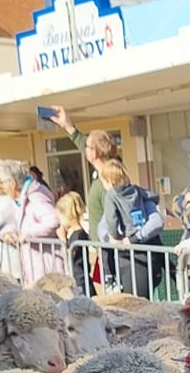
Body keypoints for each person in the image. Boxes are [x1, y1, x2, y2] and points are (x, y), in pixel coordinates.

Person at [49, 108, 118, 239]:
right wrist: (67, 125)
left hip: (110, 252)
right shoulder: (106, 172)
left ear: (94, 153)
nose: (84, 149)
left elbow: (114, 218)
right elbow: (83, 143)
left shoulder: (108, 181)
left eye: (87, 147)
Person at [99, 158, 164, 296]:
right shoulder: (137, 194)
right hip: (126, 259)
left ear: (110, 182)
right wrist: (109, 239)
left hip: (139, 259)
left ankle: (110, 280)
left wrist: (130, 239)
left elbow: (156, 221)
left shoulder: (117, 197)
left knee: (139, 305)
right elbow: (102, 226)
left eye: (103, 182)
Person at [0, 160, 63, 284]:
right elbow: (15, 221)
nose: (1, 187)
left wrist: (27, 235)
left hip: (45, 265)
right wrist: (8, 232)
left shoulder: (36, 196)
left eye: (2, 183)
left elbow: (53, 220)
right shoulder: (19, 199)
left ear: (12, 183)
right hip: (32, 264)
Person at [56, 191, 91, 295]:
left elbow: (70, 256)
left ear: (67, 215)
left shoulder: (79, 235)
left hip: (80, 281)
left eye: (60, 218)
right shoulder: (74, 234)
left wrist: (63, 240)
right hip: (76, 278)